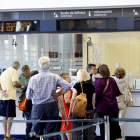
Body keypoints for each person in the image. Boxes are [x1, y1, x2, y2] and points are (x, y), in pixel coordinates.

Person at [26, 56, 71, 140]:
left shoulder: (33, 78)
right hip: (51, 107)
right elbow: (68, 85)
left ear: (39, 66)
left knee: (35, 132)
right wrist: (59, 93)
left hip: (37, 108)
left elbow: (28, 96)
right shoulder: (54, 76)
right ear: (48, 66)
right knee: (50, 134)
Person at [95, 64, 122, 140]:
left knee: (103, 127)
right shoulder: (112, 80)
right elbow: (117, 92)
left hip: (102, 108)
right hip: (113, 107)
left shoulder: (98, 82)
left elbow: (98, 96)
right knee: (115, 126)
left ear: (99, 72)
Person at [69, 69, 97, 140]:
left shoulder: (77, 85)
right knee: (88, 131)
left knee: (76, 131)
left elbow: (73, 99)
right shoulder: (91, 86)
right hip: (89, 110)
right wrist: (93, 109)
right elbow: (93, 101)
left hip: (77, 110)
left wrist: (70, 111)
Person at [0, 61, 22, 140]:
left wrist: (1, 91)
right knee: (10, 116)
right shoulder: (14, 71)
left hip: (2, 98)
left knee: (4, 116)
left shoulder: (4, 72)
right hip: (10, 97)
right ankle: (8, 135)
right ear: (17, 67)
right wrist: (21, 85)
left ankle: (5, 135)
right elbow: (15, 83)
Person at [21, 70, 39, 139]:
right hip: (35, 107)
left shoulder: (27, 85)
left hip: (28, 108)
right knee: (36, 126)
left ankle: (27, 138)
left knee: (29, 125)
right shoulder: (37, 85)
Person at [115, 67, 130, 139]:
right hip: (122, 103)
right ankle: (120, 137)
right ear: (123, 74)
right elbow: (128, 90)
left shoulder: (113, 81)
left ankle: (115, 136)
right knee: (122, 121)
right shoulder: (126, 82)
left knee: (114, 121)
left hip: (114, 103)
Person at [60, 73, 72, 140]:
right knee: (68, 129)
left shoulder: (61, 87)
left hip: (63, 109)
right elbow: (67, 100)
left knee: (63, 129)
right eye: (68, 77)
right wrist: (74, 102)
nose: (70, 78)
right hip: (67, 109)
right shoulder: (67, 88)